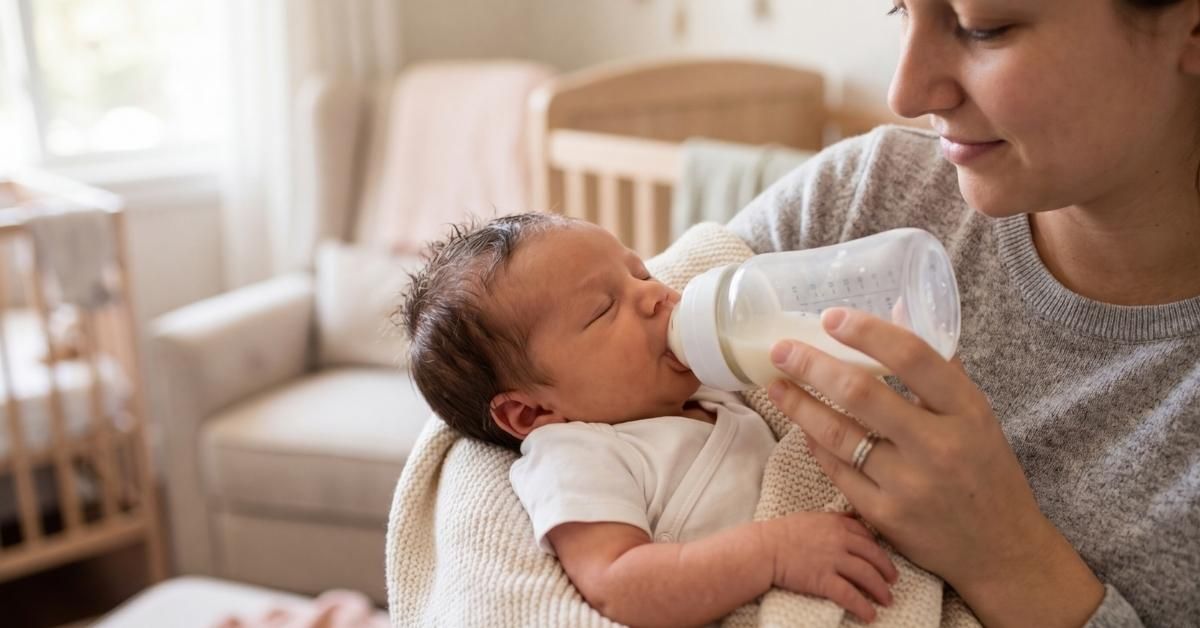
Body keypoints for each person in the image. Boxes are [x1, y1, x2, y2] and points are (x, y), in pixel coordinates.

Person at [726, 0, 1200, 625]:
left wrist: (1005, 557)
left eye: (984, 28)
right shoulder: (856, 198)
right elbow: (567, 409)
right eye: (900, 8)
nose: (905, 91)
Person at [398, 213, 899, 626]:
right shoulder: (580, 453)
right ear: (531, 411)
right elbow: (619, 582)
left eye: (638, 273)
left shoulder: (714, 388)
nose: (655, 293)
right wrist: (771, 553)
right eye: (603, 310)